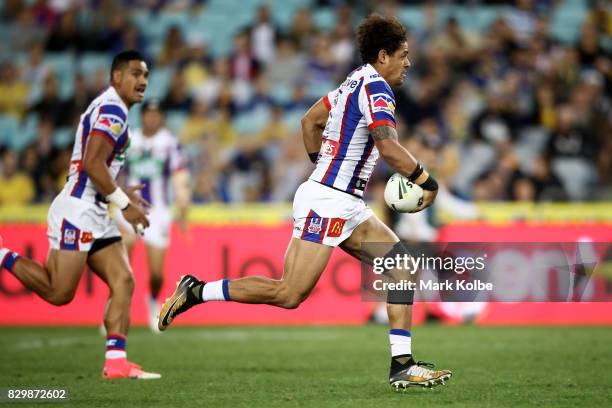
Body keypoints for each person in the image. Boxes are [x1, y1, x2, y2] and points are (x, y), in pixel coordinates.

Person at [158, 15, 452, 389]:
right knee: (289, 293)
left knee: (402, 267)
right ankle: (196, 290)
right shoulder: (377, 90)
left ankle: (402, 365)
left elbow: (309, 121)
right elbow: (389, 148)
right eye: (404, 55)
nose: (408, 63)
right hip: (329, 201)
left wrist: (325, 168)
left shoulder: (353, 81)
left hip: (341, 200)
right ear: (383, 55)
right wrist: (427, 181)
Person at [0, 50, 160, 380]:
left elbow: (98, 166)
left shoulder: (113, 108)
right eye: (135, 73)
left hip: (96, 209)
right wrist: (126, 205)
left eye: (145, 75)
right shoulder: (113, 109)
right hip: (78, 210)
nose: (142, 80)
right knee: (59, 292)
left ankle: (116, 363)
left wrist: (121, 193)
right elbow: (91, 164)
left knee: (123, 280)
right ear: (116, 77)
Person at [114, 99, 190, 333]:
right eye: (149, 114)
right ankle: (115, 306)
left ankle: (153, 299)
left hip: (158, 213)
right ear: (143, 116)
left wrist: (183, 205)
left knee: (156, 273)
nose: (152, 118)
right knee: (124, 249)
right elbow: (115, 174)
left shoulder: (169, 143)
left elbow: (179, 176)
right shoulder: (129, 141)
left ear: (161, 118)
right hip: (128, 208)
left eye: (157, 114)